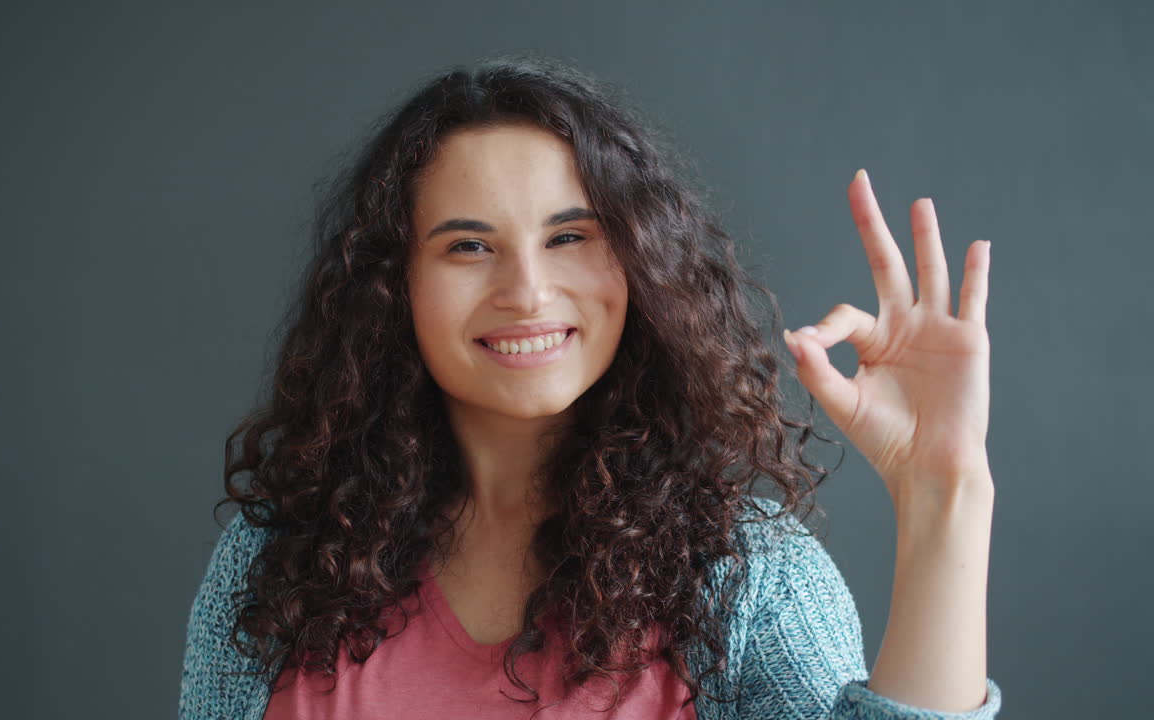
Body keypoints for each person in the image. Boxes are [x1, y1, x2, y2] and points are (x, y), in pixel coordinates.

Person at [180, 54, 1002, 719]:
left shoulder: (748, 576)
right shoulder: (274, 561)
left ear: (639, 261)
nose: (528, 292)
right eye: (468, 247)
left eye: (569, 236)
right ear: (393, 287)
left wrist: (945, 493)